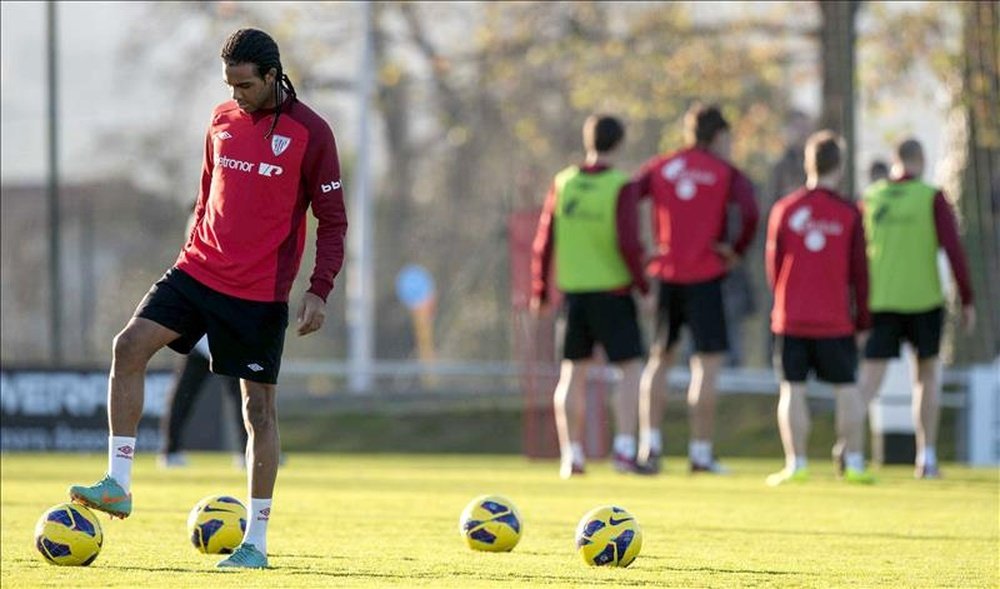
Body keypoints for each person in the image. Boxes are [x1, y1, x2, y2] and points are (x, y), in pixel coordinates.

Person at [69, 28, 348, 569]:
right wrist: (189, 248)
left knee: (257, 412)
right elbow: (205, 194)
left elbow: (332, 221)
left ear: (273, 76)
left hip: (257, 295)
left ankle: (256, 544)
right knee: (128, 346)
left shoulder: (312, 134)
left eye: (245, 85)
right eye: (229, 85)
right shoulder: (220, 120)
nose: (236, 95)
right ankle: (118, 483)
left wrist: (319, 290)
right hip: (197, 272)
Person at [635, 104, 760, 474]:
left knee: (659, 360)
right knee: (706, 365)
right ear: (719, 136)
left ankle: (651, 447)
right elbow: (751, 212)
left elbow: (627, 196)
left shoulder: (662, 166)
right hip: (706, 277)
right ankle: (701, 453)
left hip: (668, 274)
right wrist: (734, 251)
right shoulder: (725, 172)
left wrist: (640, 252)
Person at [531, 114, 650, 478]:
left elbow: (544, 240)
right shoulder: (620, 185)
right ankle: (625, 451)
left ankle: (573, 455)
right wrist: (644, 287)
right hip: (613, 292)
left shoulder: (563, 182)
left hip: (574, 295)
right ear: (619, 143)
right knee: (629, 371)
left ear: (589, 141)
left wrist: (540, 289)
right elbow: (629, 243)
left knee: (572, 374)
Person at [858, 138, 975, 479]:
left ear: (895, 161)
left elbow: (854, 256)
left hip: (881, 302)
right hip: (924, 301)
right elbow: (954, 249)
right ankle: (926, 456)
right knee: (926, 378)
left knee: (868, 381)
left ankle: (848, 449)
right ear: (920, 160)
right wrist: (966, 298)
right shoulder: (931, 197)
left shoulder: (870, 198)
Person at [764, 130, 875, 486]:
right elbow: (860, 272)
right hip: (835, 320)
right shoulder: (848, 213)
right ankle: (854, 463)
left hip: (791, 317)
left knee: (792, 389)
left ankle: (796, 464)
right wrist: (863, 320)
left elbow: (773, 265)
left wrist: (784, 299)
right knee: (847, 389)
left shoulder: (786, 209)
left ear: (807, 164)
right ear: (839, 167)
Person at [159, 335, 246, 469]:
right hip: (200, 344)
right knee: (183, 397)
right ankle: (171, 451)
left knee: (243, 398)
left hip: (228, 344)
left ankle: (248, 451)